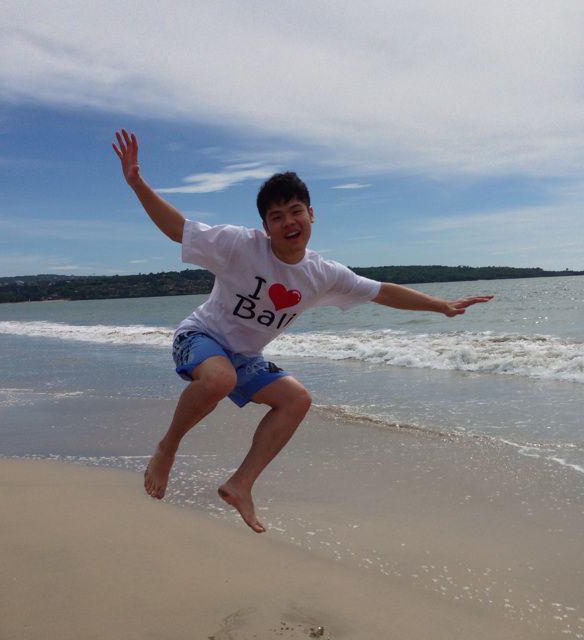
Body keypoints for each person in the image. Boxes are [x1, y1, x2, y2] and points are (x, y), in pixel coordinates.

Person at [112, 129, 493, 533]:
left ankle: (241, 485)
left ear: (311, 214)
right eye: (276, 217)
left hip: (246, 357)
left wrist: (440, 306)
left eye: (295, 211)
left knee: (296, 400)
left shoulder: (322, 274)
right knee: (220, 379)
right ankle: (167, 447)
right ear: (265, 226)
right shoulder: (240, 245)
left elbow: (382, 291)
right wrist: (137, 184)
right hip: (199, 337)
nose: (288, 222)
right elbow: (179, 229)